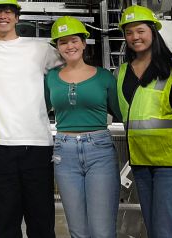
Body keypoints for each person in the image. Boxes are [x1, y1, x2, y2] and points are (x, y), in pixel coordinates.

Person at [0, 0, 62, 238]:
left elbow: (72, 68)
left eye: (8, 11)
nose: (2, 16)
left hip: (38, 146)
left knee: (42, 225)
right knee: (5, 225)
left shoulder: (40, 49)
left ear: (17, 17)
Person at [116, 5, 172, 238]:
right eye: (129, 32)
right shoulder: (121, 72)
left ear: (153, 32)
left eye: (140, 30)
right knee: (155, 229)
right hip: (140, 160)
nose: (135, 37)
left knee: (168, 230)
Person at [45, 16, 122, 238]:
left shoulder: (104, 77)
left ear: (84, 42)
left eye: (74, 40)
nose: (70, 46)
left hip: (100, 151)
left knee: (102, 230)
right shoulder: (51, 78)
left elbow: (121, 113)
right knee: (77, 230)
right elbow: (38, 109)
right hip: (64, 153)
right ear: (57, 47)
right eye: (63, 42)